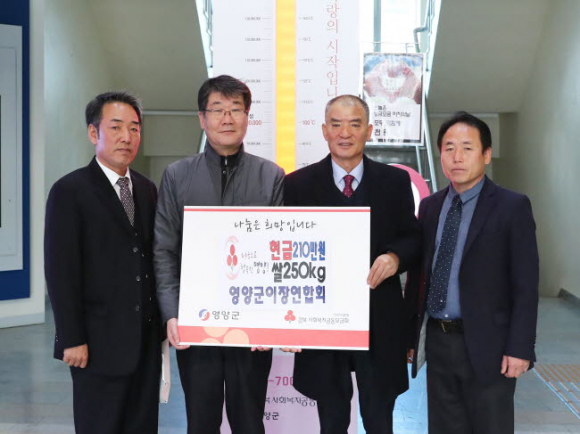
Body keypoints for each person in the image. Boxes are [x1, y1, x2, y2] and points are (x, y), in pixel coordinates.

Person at [154, 75, 284, 434]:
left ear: (247, 117)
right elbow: (164, 249)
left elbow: (277, 255)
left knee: (250, 422)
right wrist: (171, 313)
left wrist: (271, 320)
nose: (227, 119)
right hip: (196, 324)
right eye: (217, 110)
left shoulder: (270, 176)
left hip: (252, 326)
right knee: (201, 422)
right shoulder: (177, 176)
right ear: (202, 118)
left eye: (235, 110)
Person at [284, 95, 421, 434]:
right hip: (322, 321)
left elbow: (413, 237)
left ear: (368, 130)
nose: (345, 133)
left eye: (354, 124)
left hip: (380, 319)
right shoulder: (298, 185)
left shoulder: (394, 181)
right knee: (331, 420)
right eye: (336, 124)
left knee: (379, 419)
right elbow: (287, 253)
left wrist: (395, 257)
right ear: (324, 131)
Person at [407, 111, 539, 433]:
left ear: (486, 154)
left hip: (489, 345)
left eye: (467, 148)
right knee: (443, 426)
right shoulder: (430, 207)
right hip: (438, 340)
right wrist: (412, 336)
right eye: (449, 148)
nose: (457, 157)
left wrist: (520, 348)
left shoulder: (512, 206)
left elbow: (525, 284)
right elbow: (419, 277)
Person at [45, 91, 161, 434]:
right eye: (116, 127)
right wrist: (71, 338)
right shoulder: (70, 191)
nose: (127, 137)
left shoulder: (147, 189)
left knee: (142, 426)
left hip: (144, 342)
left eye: (134, 128)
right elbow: (61, 270)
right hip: (96, 344)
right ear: (93, 132)